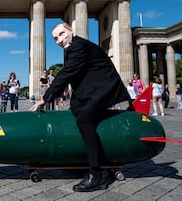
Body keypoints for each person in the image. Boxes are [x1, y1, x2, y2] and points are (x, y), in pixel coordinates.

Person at [29, 22, 130, 192]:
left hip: (104, 88)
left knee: (84, 119)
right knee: (75, 111)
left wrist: (45, 98)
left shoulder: (78, 46)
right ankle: (82, 159)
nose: (59, 40)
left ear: (71, 31)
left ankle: (96, 175)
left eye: (61, 34)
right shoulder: (74, 48)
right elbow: (75, 75)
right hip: (91, 89)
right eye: (55, 38)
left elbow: (66, 73)